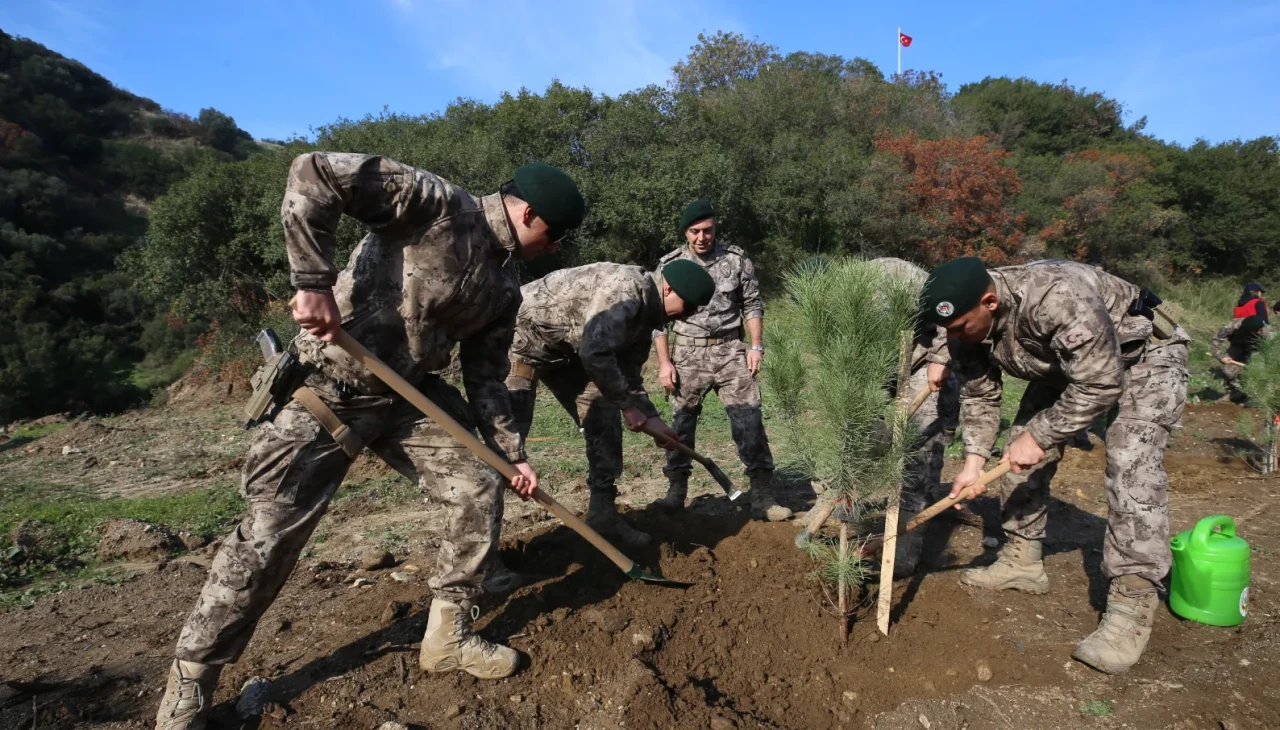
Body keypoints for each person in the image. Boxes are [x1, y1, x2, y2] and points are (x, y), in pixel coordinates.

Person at [155, 153, 585, 730]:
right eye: (554, 235)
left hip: (407, 397)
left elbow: (485, 378)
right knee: (267, 540)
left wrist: (512, 453)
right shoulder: (435, 204)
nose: (554, 248)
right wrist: (312, 284)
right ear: (529, 213)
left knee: (479, 488)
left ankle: (446, 638)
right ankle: (190, 686)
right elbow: (314, 173)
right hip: (329, 384)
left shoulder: (505, 288)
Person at [921, 257, 1190, 675]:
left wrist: (1042, 435)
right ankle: (1022, 561)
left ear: (989, 302)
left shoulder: (1054, 297)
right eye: (947, 330)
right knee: (1019, 454)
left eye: (959, 327)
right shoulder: (961, 328)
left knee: (1130, 466)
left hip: (1142, 358)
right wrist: (973, 464)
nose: (953, 337)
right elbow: (980, 397)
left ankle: (1132, 604)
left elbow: (1101, 382)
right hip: (1066, 368)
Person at [502, 260, 714, 551]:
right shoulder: (627, 290)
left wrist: (651, 418)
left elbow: (628, 375)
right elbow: (595, 351)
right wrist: (628, 407)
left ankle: (602, 513)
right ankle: (483, 553)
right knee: (506, 444)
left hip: (567, 352)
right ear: (669, 288)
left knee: (603, 415)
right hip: (519, 341)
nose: (686, 316)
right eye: (688, 307)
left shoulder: (648, 317)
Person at [650, 200, 787, 521]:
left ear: (716, 228)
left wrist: (755, 347)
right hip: (687, 353)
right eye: (695, 231)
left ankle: (763, 496)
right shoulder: (670, 265)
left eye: (708, 230)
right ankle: (676, 491)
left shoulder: (736, 261)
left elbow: (752, 304)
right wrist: (664, 363)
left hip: (730, 352)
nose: (702, 237)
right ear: (685, 232)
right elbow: (658, 319)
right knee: (680, 424)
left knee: (749, 421)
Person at [868, 258, 961, 577]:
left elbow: (952, 314)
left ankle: (907, 537)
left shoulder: (898, 277)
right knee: (857, 436)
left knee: (920, 442)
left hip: (925, 358)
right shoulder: (832, 310)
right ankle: (848, 516)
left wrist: (942, 357)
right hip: (880, 364)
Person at [1211, 314, 1272, 402]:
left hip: (1256, 348)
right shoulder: (1233, 326)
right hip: (1238, 345)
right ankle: (1233, 393)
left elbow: (1269, 349)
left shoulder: (1265, 330)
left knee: (1257, 371)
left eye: (1261, 329)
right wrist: (1220, 357)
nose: (1260, 332)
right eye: (1258, 330)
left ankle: (1260, 398)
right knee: (1228, 371)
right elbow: (1216, 339)